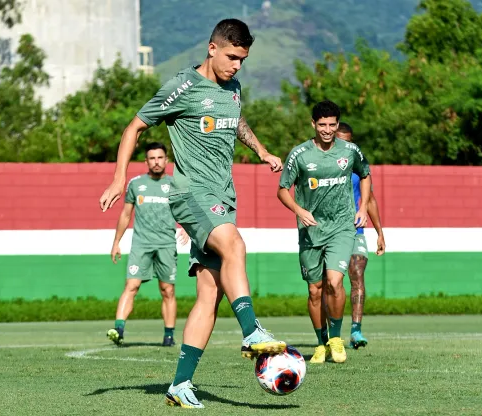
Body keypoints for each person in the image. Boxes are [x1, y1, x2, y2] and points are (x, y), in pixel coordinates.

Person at [98, 19, 287, 408]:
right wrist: (119, 179)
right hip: (191, 194)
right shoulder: (183, 87)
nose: (236, 66)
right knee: (235, 244)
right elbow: (134, 127)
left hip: (222, 195)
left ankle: (180, 385)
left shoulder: (232, 88)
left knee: (210, 293)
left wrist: (262, 151)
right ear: (212, 48)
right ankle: (251, 332)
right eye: (232, 57)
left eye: (243, 60)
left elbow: (237, 122)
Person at [277, 100, 372, 364]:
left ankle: (336, 339)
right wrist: (298, 209)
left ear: (337, 124)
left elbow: (365, 174)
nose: (327, 130)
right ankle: (320, 343)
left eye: (332, 125)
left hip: (342, 227)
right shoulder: (300, 154)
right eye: (322, 125)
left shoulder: (350, 150)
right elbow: (282, 189)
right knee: (315, 290)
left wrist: (362, 207)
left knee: (334, 282)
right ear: (313, 124)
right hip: (311, 230)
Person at [107, 142, 189, 348]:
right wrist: (116, 242)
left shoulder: (175, 185)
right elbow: (126, 214)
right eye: (152, 158)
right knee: (132, 285)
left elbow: (186, 211)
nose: (156, 162)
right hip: (141, 244)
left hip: (166, 245)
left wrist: (187, 228)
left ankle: (169, 336)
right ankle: (118, 330)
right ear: (146, 161)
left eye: (160, 158)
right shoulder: (135, 184)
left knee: (167, 290)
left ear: (166, 160)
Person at [335, 122, 386, 349]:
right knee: (330, 283)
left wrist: (380, 232)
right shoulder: (320, 164)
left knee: (357, 273)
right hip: (329, 232)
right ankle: (331, 334)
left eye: (349, 142)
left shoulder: (358, 167)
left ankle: (356, 331)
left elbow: (371, 199)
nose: (345, 147)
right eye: (340, 141)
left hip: (355, 230)